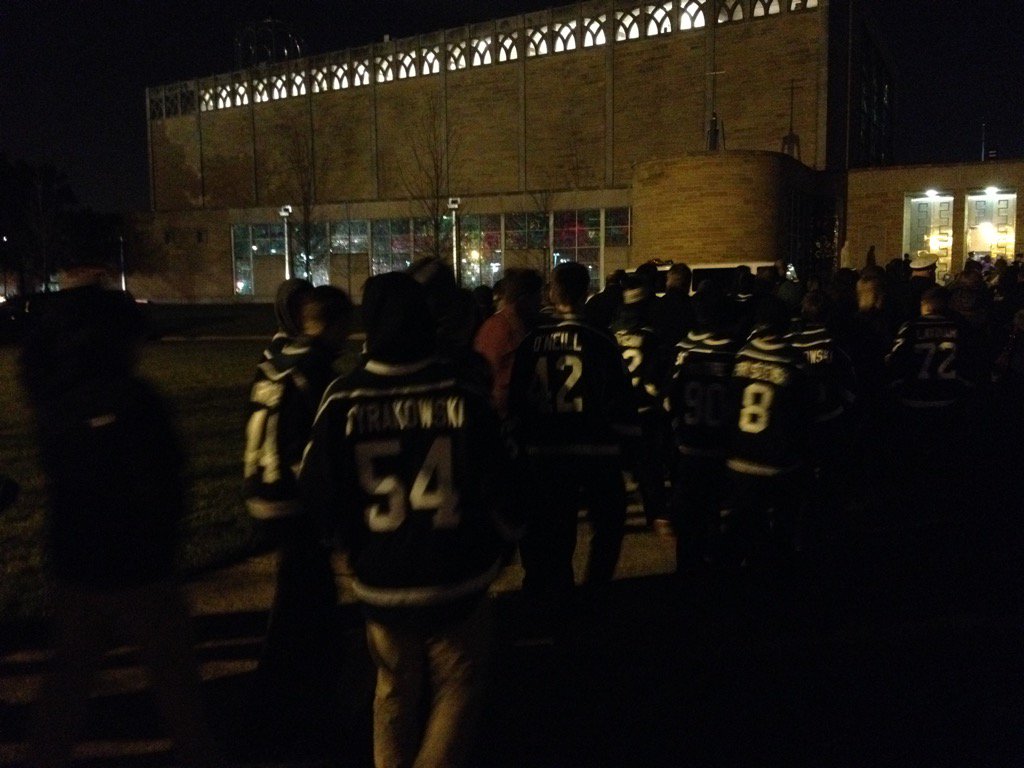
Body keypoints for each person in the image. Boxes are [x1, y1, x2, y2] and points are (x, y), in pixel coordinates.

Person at [299, 272, 521, 768]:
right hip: (456, 575)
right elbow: (501, 484)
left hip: (382, 578)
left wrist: (347, 545)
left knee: (393, 693)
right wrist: (503, 543)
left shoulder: (342, 398)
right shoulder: (462, 393)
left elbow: (317, 492)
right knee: (457, 689)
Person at [20, 251, 218, 767]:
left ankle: (47, 754)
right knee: (173, 674)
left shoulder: (53, 397)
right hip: (139, 564)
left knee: (69, 676)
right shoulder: (133, 400)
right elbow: (165, 478)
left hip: (75, 560)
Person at [242, 278, 354, 739]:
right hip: (291, 497)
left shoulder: (272, 362)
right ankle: (284, 698)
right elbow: (314, 452)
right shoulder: (318, 373)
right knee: (304, 594)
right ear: (330, 326)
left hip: (259, 488)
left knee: (305, 587)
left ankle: (297, 682)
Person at [508, 261, 639, 612]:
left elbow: (516, 400)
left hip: (546, 451)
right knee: (609, 524)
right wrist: (630, 447)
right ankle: (594, 592)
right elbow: (620, 400)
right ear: (586, 293)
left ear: (553, 291)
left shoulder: (531, 341)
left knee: (555, 529)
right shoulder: (601, 340)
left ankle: (556, 594)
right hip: (595, 450)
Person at [721, 296, 812, 565]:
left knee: (741, 531)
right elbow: (805, 413)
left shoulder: (741, 355)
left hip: (740, 458)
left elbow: (729, 405)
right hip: (778, 462)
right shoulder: (794, 361)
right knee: (780, 535)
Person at [665, 281, 741, 572]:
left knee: (689, 519)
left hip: (689, 445)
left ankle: (687, 572)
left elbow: (669, 399)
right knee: (714, 514)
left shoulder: (685, 350)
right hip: (720, 446)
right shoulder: (732, 353)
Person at [610, 274, 672, 529]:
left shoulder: (613, 334)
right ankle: (655, 513)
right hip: (645, 407)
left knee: (617, 469)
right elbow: (659, 371)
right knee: (649, 466)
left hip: (620, 407)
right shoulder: (651, 336)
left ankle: (613, 517)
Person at [472, 267, 544, 419]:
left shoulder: (497, 325)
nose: (540, 304)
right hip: (504, 420)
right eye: (537, 299)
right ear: (524, 299)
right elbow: (502, 385)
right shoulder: (507, 329)